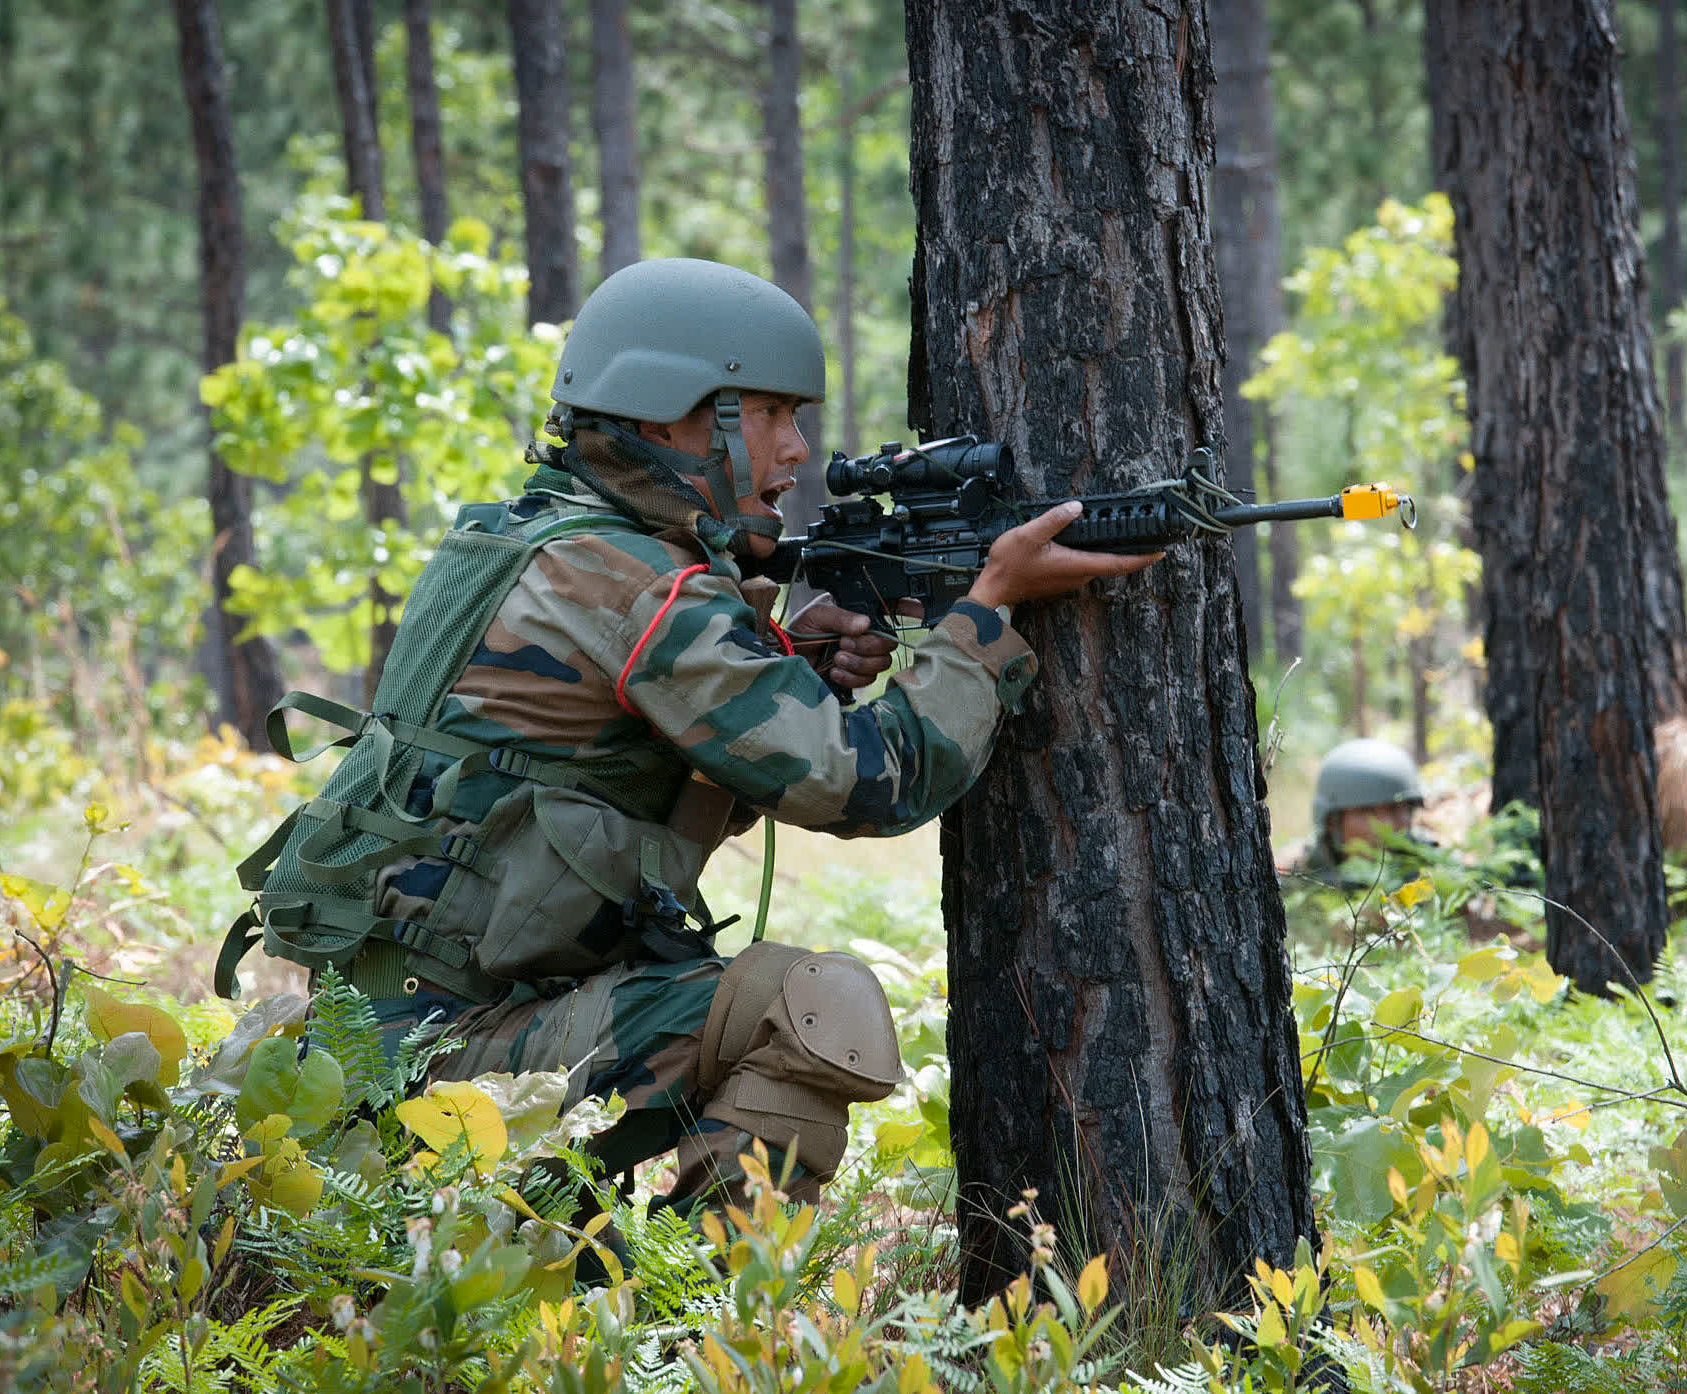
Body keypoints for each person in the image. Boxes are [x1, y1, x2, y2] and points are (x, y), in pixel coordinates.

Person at [221, 257, 1157, 1216]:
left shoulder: (531, 537)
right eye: (769, 414)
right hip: (448, 1056)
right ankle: (715, 1325)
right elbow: (868, 785)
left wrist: (780, 655)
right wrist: (983, 622)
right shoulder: (635, 583)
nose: (796, 451)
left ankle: (620, 1292)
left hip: (372, 1047)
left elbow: (579, 767)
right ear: (673, 414)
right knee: (814, 1006)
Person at [1301, 737, 1426, 888]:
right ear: (1331, 822)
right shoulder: (1293, 875)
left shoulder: (1434, 870)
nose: (1385, 824)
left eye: (1394, 808)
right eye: (1367, 810)